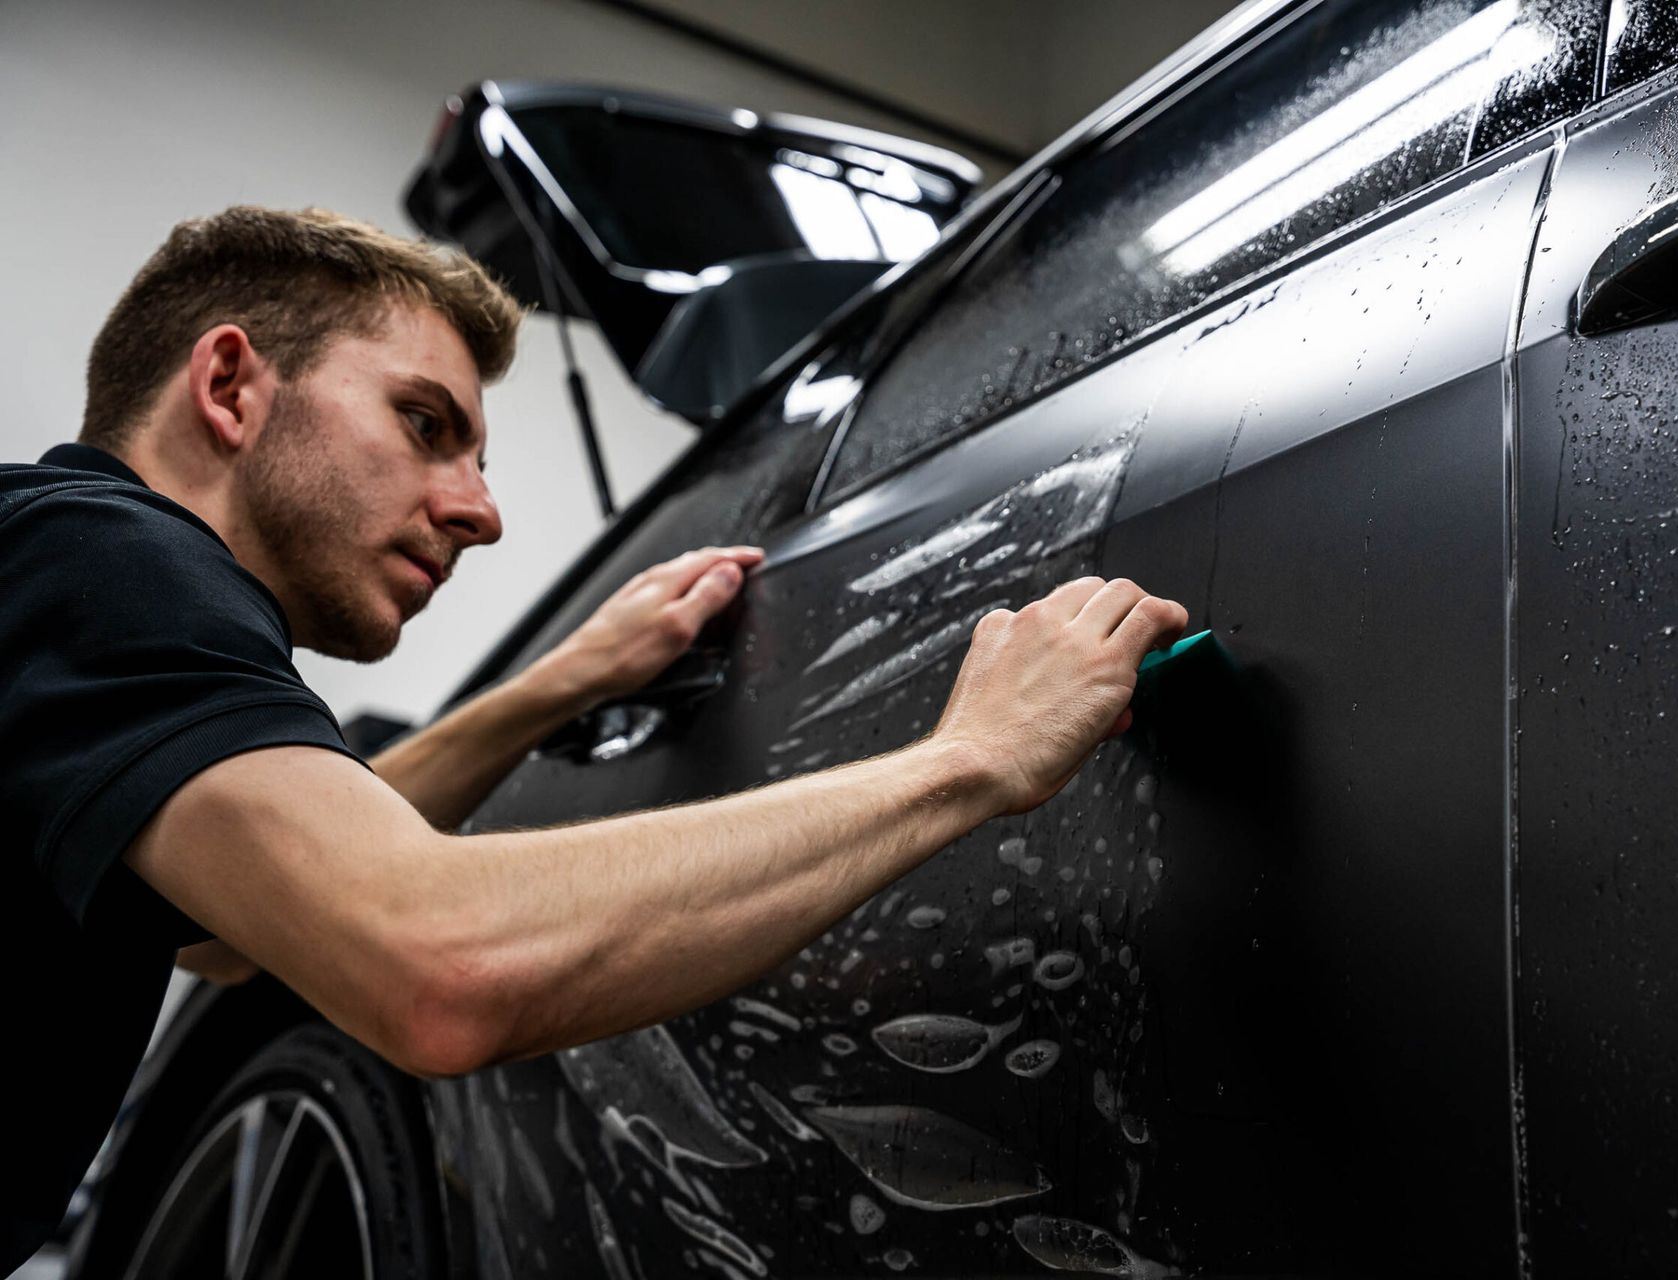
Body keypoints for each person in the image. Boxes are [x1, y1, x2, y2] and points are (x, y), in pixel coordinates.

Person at [0, 207, 1187, 1267]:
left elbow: (225, 936)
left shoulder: (62, 585)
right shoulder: (108, 557)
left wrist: (558, 684)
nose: (481, 510)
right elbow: (438, 968)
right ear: (228, 386)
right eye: (425, 422)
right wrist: (970, 754)